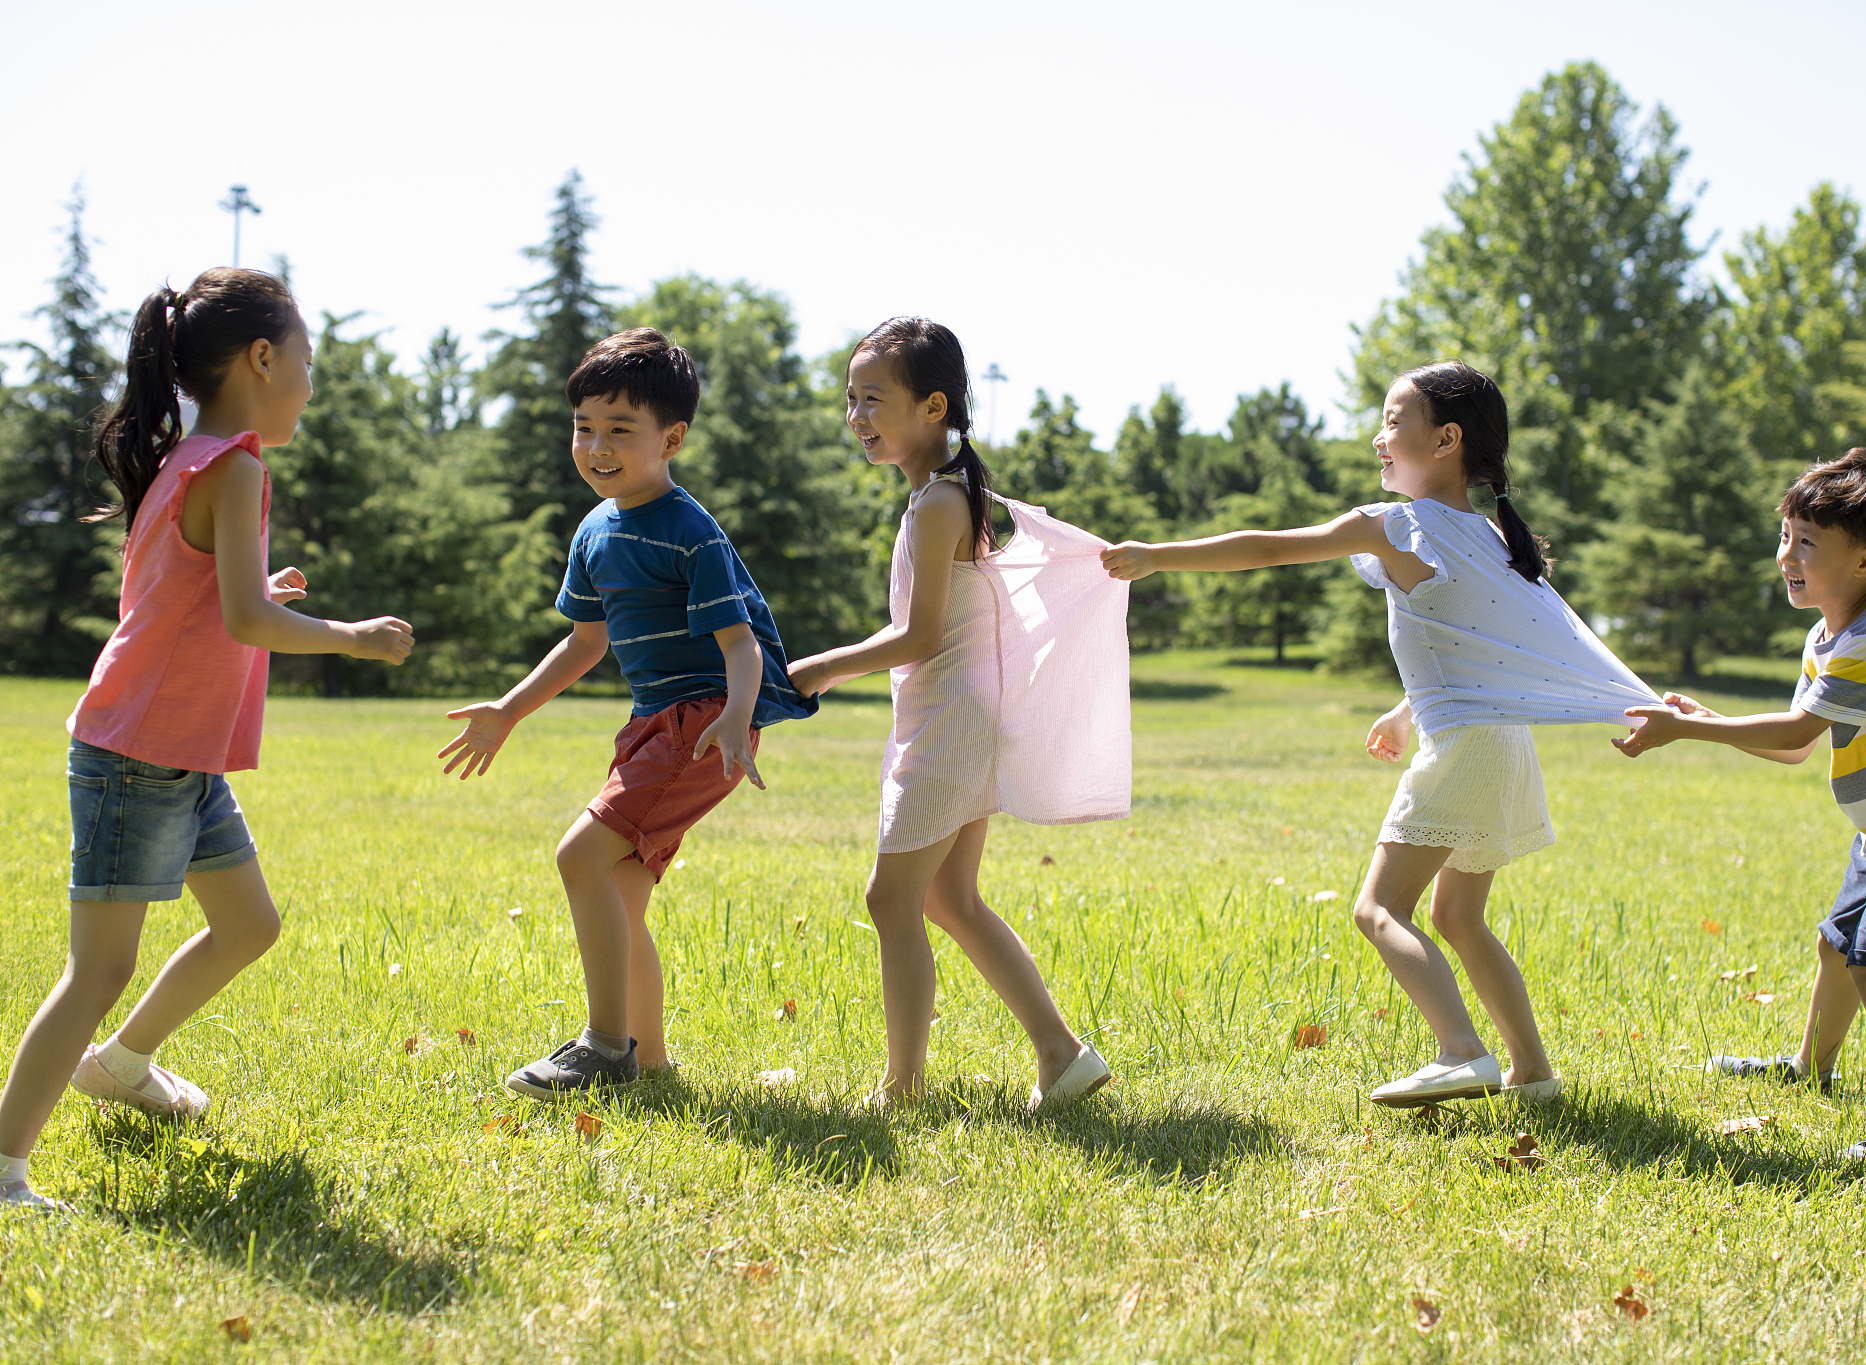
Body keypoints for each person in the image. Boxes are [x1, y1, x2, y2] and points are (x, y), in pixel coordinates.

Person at [1102, 361, 1659, 1109]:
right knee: (1458, 916)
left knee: (1377, 909)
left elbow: (1269, 548)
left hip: (1465, 745)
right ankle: (1534, 1072)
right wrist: (1406, 710)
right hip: (1502, 746)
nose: (1378, 437)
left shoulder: (1396, 524)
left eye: (1395, 421)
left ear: (1447, 439)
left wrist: (1155, 556)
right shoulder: (1490, 535)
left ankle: (1462, 1050)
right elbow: (1472, 643)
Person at [0, 269, 415, 1210]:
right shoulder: (234, 466)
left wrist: (271, 591)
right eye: (306, 361)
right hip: (136, 752)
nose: (311, 380)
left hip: (175, 754)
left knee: (249, 925)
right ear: (262, 359)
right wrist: (350, 635)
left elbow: (203, 594)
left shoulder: (195, 461)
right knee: (98, 967)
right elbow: (242, 617)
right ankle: (4, 1167)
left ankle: (124, 1063)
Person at [438, 329, 816, 1099]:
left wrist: (737, 718)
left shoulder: (689, 531)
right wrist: (510, 710)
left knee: (579, 857)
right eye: (585, 426)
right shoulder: (594, 530)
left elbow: (740, 647)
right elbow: (584, 643)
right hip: (650, 725)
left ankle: (605, 1046)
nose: (597, 445)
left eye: (620, 430)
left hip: (700, 721)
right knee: (619, 892)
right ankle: (650, 1065)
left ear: (671, 438)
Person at [1615, 448, 1866, 1161]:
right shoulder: (1826, 635)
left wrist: (1688, 727)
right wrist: (1709, 716)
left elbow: (1795, 731)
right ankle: (1809, 1070)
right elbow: (1795, 748)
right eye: (1785, 536)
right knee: (1836, 944)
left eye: (1808, 543)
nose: (1787, 555)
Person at [786, 318, 1127, 1111]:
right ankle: (1061, 1052)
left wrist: (823, 665)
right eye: (850, 399)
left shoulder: (938, 503)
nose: (857, 416)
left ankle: (902, 1088)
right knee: (948, 897)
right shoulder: (939, 497)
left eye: (874, 399)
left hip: (952, 723)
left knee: (891, 898)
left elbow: (922, 633)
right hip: (955, 716)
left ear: (932, 406)